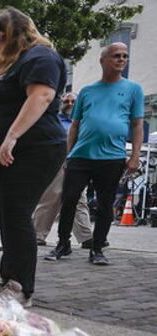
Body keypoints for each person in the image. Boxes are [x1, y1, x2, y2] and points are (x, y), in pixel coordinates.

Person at [0, 6, 67, 307]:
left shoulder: (41, 56)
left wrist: (11, 136)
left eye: (0, 39)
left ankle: (21, 287)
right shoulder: (13, 63)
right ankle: (8, 278)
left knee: (15, 214)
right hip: (3, 156)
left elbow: (41, 96)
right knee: (5, 218)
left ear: (19, 35)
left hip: (33, 149)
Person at [46, 42, 143, 265]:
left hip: (112, 157)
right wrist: (68, 154)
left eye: (125, 56)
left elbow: (137, 125)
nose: (121, 59)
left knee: (105, 204)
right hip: (81, 155)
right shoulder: (87, 92)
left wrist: (135, 156)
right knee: (69, 199)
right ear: (103, 60)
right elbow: (75, 126)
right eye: (116, 56)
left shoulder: (133, 89)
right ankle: (63, 244)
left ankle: (97, 248)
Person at [33, 93, 95, 249]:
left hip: (78, 162)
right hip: (56, 161)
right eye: (66, 101)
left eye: (73, 101)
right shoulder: (54, 120)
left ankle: (86, 237)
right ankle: (37, 235)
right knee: (51, 197)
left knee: (79, 200)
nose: (70, 103)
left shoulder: (83, 121)